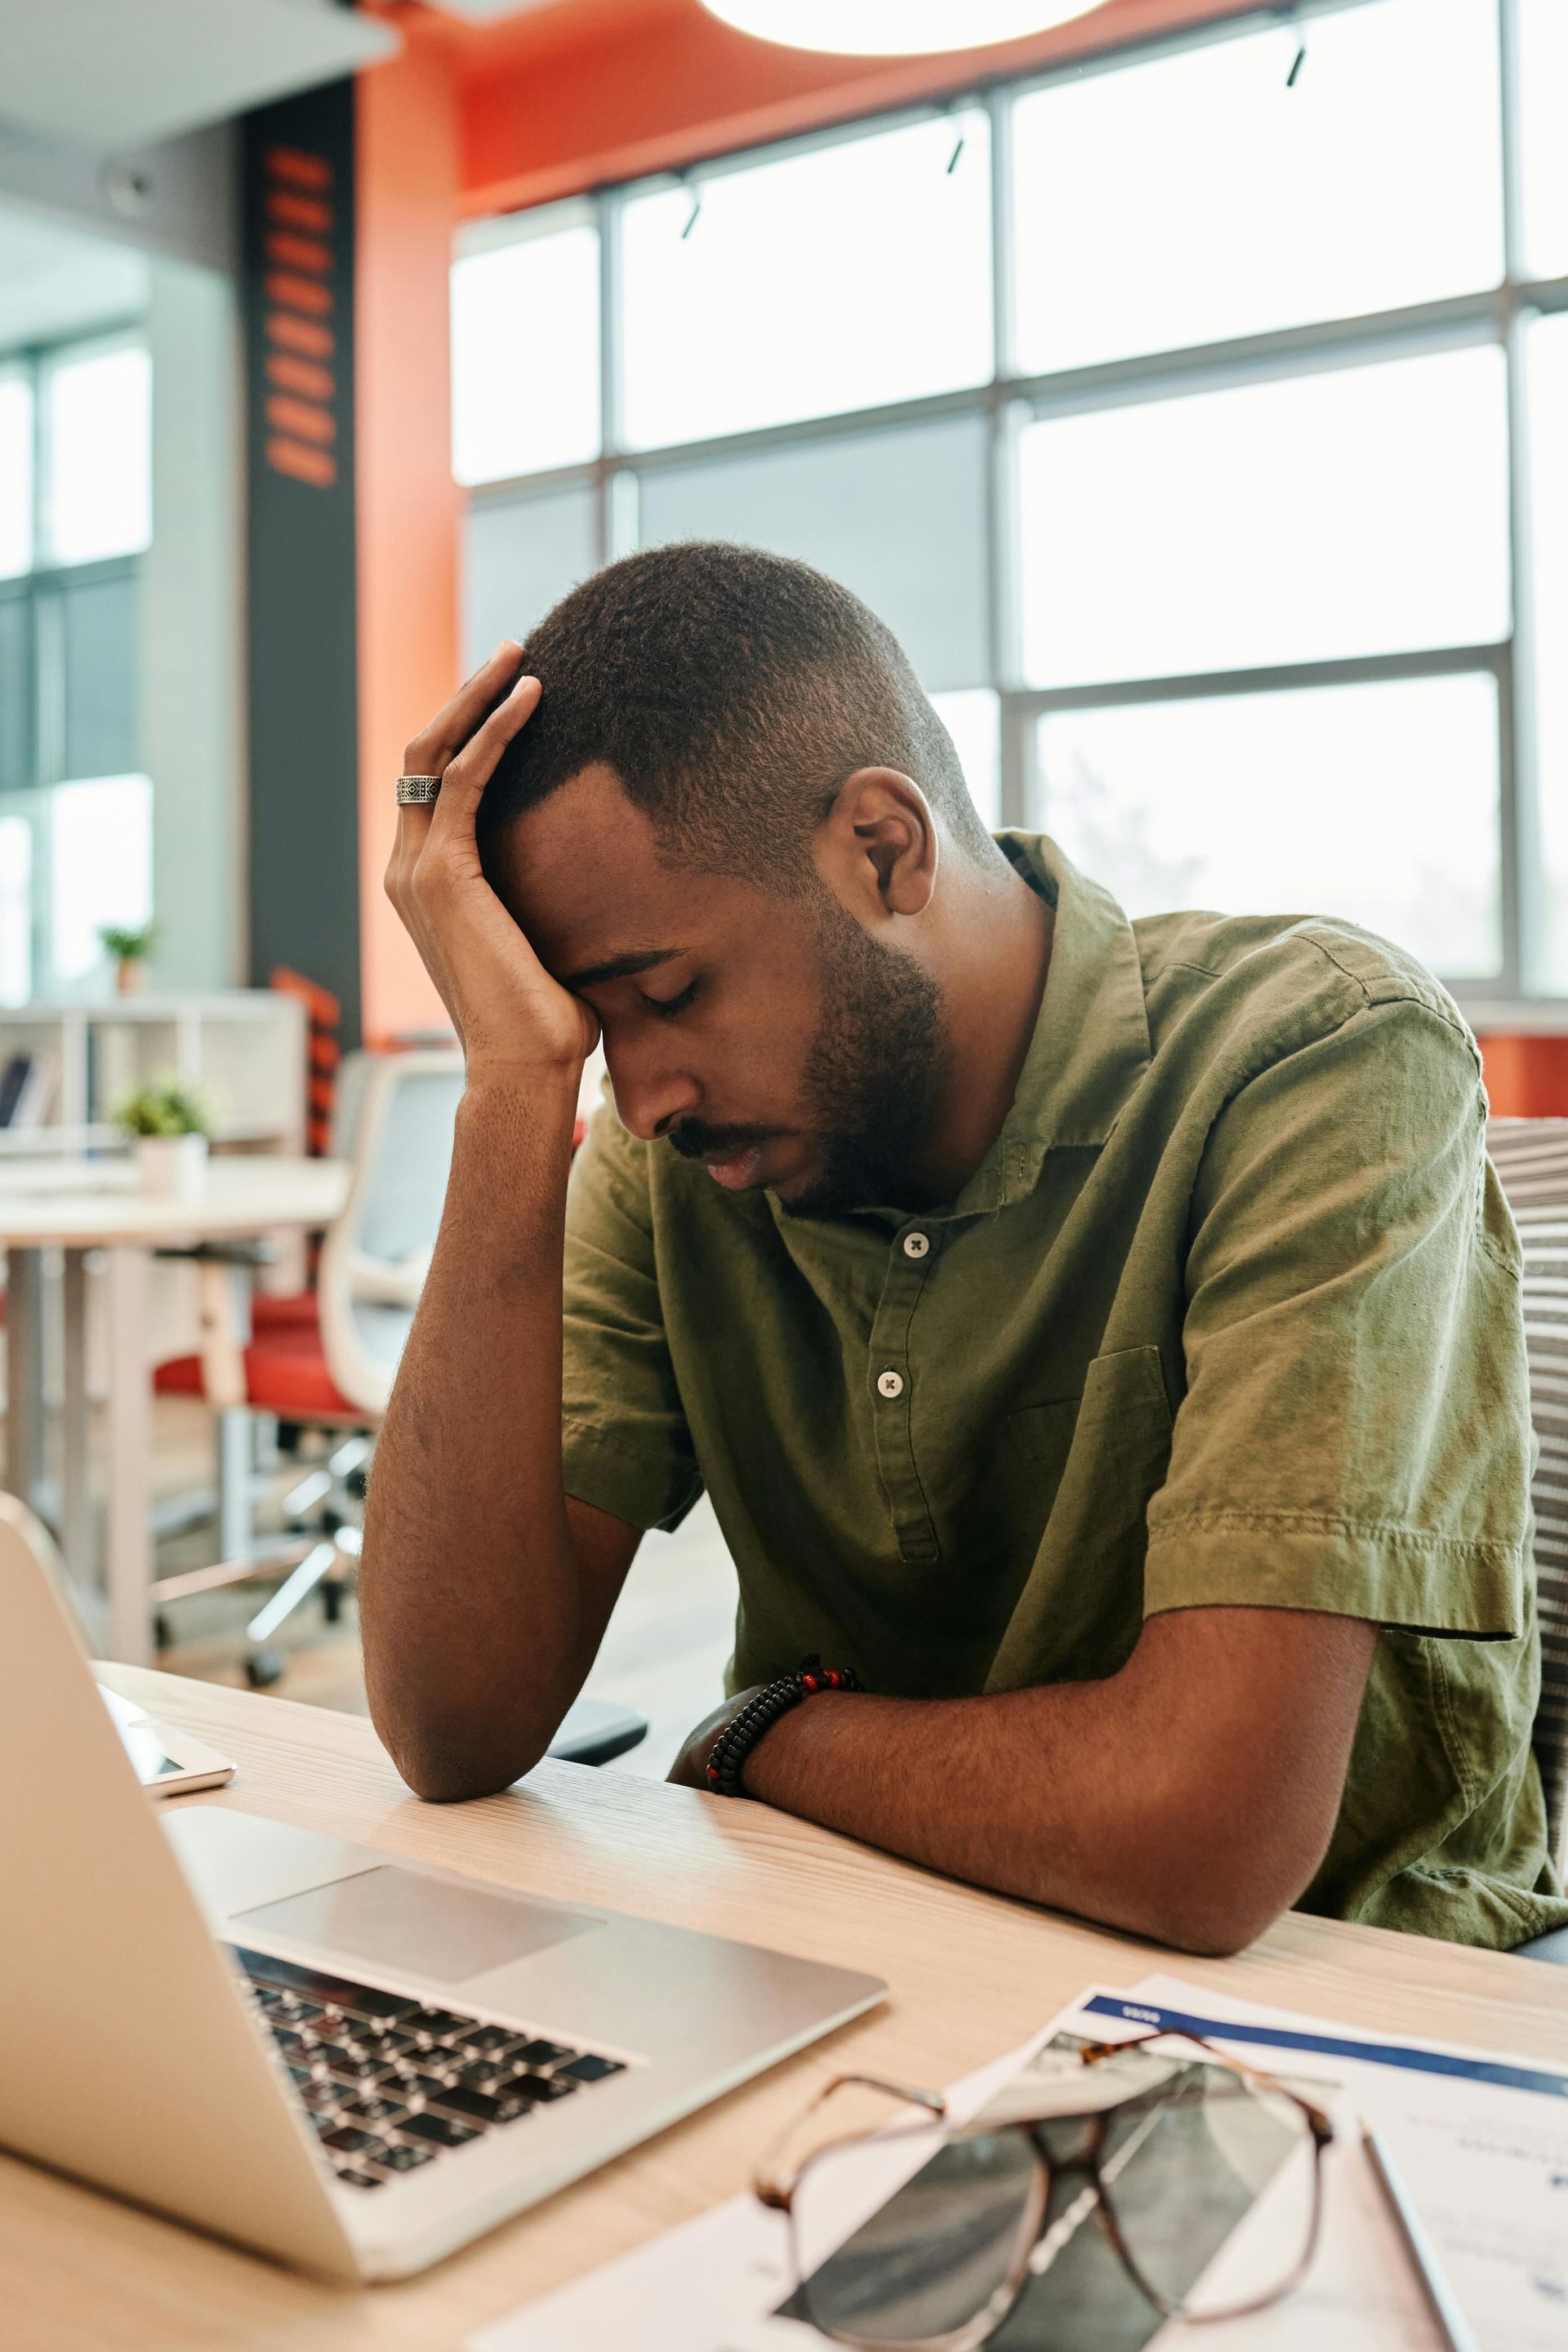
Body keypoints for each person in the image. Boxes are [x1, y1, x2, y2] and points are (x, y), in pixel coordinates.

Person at [363, 541, 1566, 1957]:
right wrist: (513, 1087)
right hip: (859, 1956)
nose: (640, 1094)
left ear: (886, 847)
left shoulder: (1316, 1058)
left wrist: (769, 1736)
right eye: (589, 1029)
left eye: (667, 993)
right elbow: (452, 1727)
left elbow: (1201, 1835)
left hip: (1345, 2020)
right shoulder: (672, 1149)